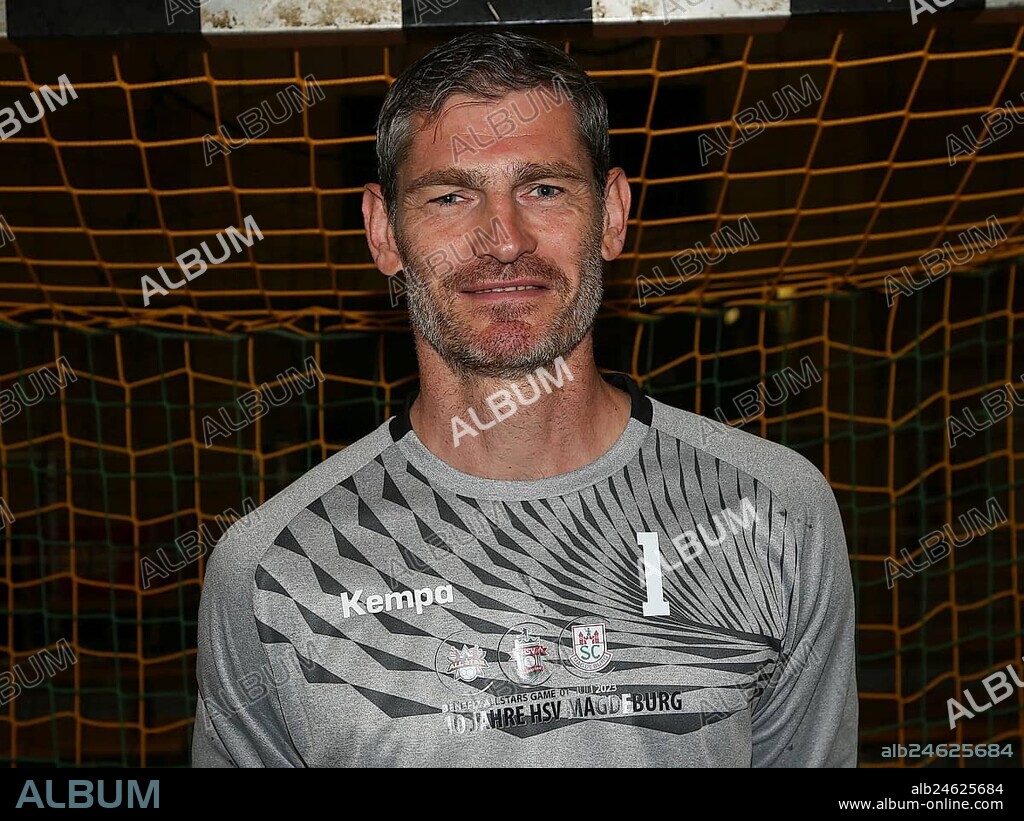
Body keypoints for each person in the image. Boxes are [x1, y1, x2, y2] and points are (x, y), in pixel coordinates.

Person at [192, 30, 858, 767]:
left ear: (611, 213)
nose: (502, 238)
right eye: (451, 195)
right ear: (384, 231)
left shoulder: (773, 510)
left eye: (543, 188)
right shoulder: (272, 567)